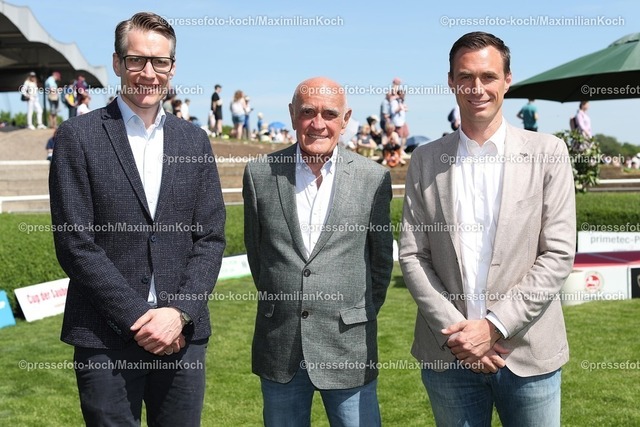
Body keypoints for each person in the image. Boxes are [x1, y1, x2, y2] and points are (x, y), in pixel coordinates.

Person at [49, 12, 226, 426]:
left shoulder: (194, 140)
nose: (148, 72)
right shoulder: (78, 136)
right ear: (117, 63)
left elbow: (210, 238)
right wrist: (139, 318)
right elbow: (75, 243)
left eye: (159, 61)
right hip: (104, 336)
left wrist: (178, 313)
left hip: (182, 336)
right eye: (136, 60)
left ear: (172, 68)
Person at [398, 31, 576, 427]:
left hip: (528, 353)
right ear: (451, 81)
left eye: (488, 76)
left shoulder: (548, 153)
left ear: (507, 80)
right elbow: (412, 254)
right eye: (465, 76)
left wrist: (493, 327)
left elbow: (558, 253)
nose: (476, 88)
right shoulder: (425, 159)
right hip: (449, 354)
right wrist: (462, 336)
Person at [243, 76, 393, 427]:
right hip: (280, 346)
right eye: (308, 112)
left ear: (346, 118)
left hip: (349, 348)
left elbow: (381, 264)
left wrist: (355, 313)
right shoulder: (260, 174)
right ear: (293, 114)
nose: (318, 123)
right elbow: (258, 256)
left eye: (330, 113)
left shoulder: (373, 178)